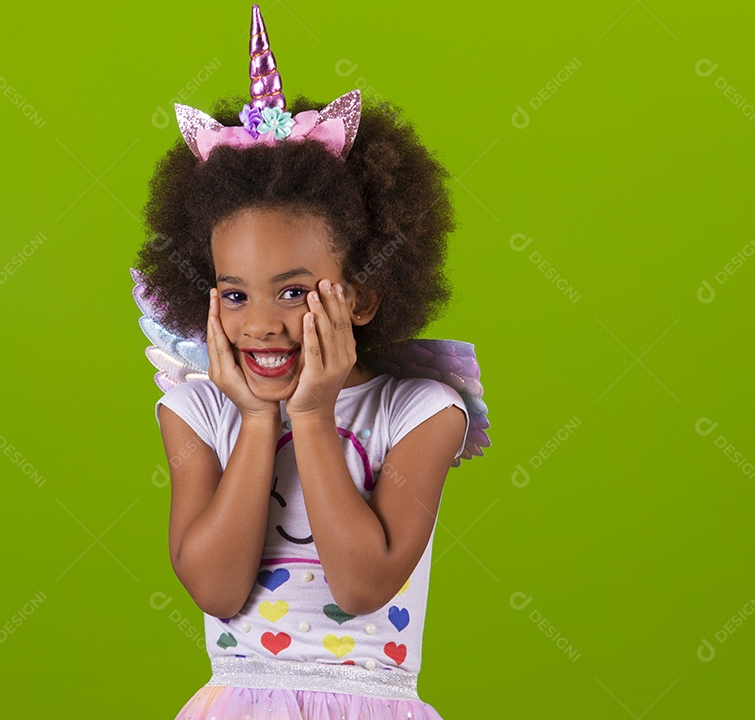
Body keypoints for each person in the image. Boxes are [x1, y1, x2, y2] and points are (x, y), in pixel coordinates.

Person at [131, 6, 491, 718]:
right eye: (235, 293)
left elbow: (362, 586)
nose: (261, 324)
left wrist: (313, 413)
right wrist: (258, 421)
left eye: (293, 291)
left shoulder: (422, 412)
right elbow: (216, 587)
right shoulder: (199, 411)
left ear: (360, 296)